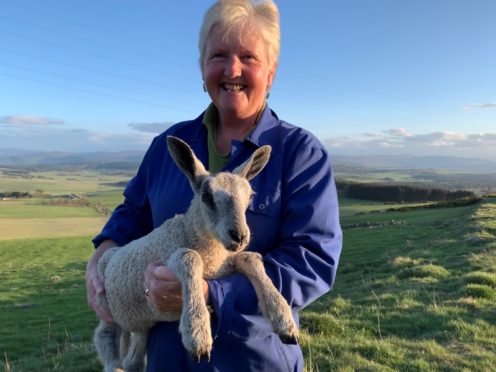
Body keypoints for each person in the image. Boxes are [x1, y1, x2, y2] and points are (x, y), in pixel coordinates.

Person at [85, 0, 342, 370]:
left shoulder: (300, 154)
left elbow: (314, 260)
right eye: (218, 54)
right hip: (168, 360)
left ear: (270, 72)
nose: (232, 69)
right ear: (203, 68)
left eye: (249, 57)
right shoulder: (168, 146)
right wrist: (103, 253)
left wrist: (210, 295)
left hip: (256, 360)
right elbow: (133, 211)